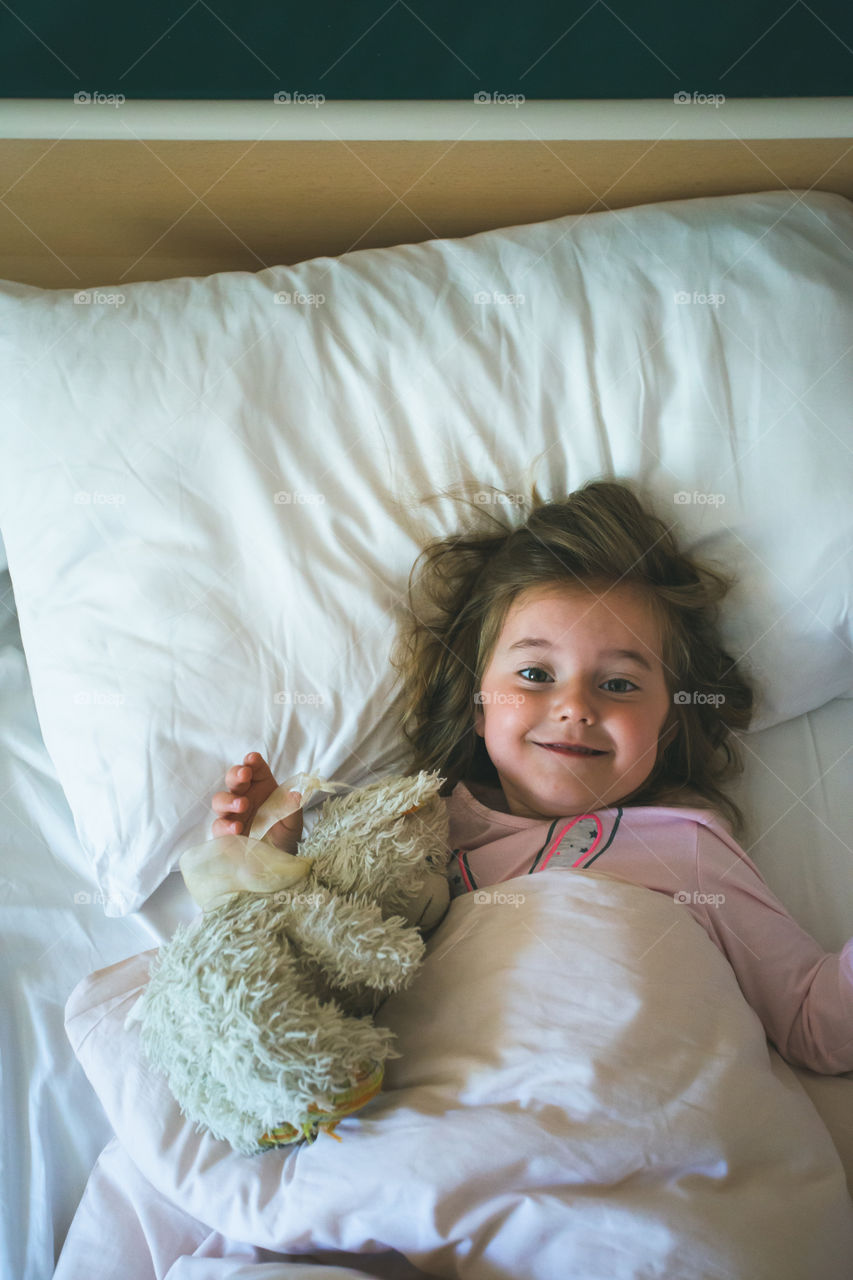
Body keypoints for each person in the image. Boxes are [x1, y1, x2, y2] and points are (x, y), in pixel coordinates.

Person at [211, 479, 853, 1076]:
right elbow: (304, 992)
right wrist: (270, 863)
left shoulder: (685, 847)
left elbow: (816, 1024)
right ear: (477, 701)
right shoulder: (404, 838)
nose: (575, 706)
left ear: (669, 722)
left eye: (620, 684)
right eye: (536, 675)